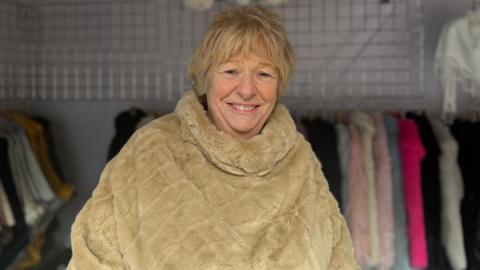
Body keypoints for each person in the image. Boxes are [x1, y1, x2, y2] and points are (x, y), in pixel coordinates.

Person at [67, 5, 359, 269]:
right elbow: (93, 258)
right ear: (206, 78)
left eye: (264, 74)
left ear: (279, 85)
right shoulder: (150, 152)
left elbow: (339, 259)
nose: (246, 90)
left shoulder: (300, 159)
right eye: (231, 71)